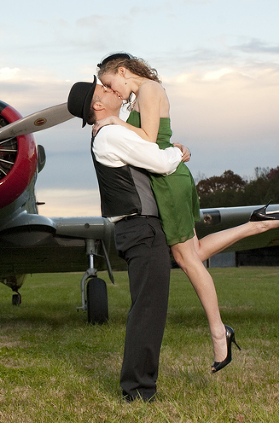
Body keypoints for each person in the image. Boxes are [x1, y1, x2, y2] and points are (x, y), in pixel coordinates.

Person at [94, 52, 279, 373]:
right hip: (164, 179)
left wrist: (115, 122)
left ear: (122, 71)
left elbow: (149, 139)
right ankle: (257, 224)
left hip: (168, 181)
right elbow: (153, 140)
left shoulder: (148, 90)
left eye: (109, 83)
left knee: (189, 261)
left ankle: (220, 335)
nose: (112, 91)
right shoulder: (140, 95)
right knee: (194, 252)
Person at [68, 79, 185, 401]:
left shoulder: (112, 131)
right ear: (97, 106)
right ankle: (137, 390)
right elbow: (161, 162)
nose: (111, 89)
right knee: (148, 311)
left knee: (147, 309)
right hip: (142, 228)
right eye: (103, 90)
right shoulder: (111, 134)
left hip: (138, 228)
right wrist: (179, 152)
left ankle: (138, 386)